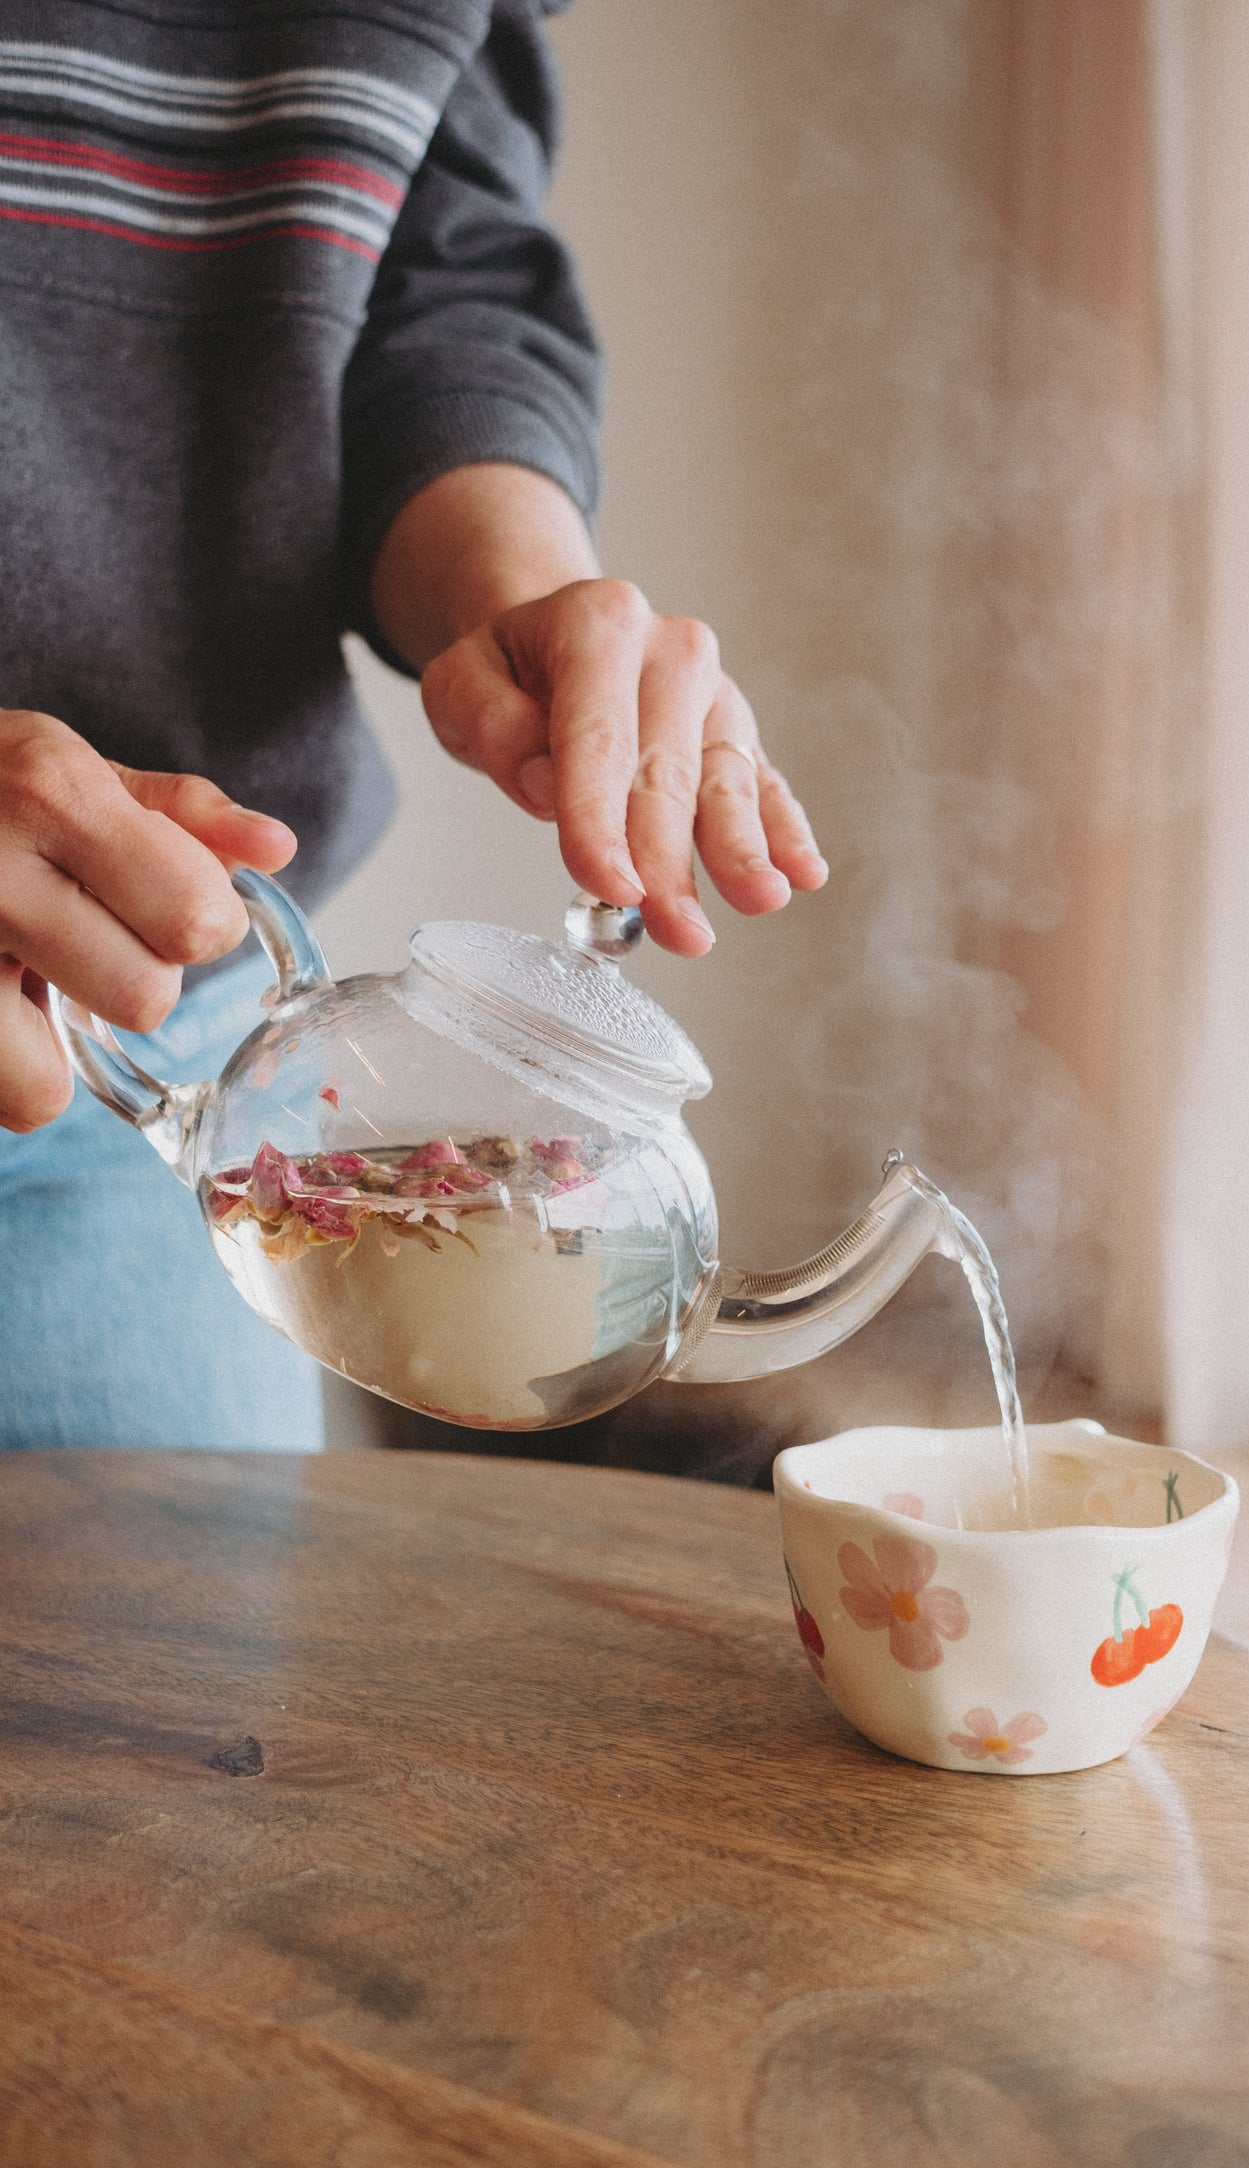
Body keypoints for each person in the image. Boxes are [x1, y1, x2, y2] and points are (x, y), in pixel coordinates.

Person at [0, 1, 826, 1450]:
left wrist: (517, 586)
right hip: (158, 1024)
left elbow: (418, 275)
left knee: (177, 1677)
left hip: (146, 1025)